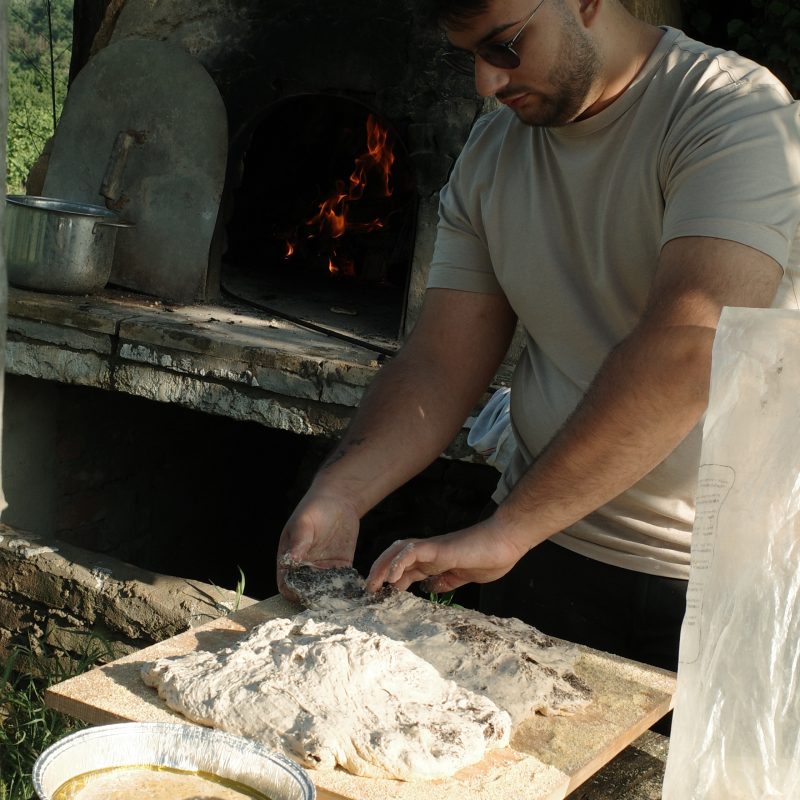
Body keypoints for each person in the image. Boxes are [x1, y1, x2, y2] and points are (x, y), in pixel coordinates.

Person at [277, 0, 800, 680]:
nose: (485, 85)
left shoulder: (733, 115)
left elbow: (688, 345)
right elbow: (440, 361)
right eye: (468, 56)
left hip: (720, 579)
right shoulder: (492, 154)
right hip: (545, 551)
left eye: (503, 46)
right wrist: (342, 492)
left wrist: (509, 530)